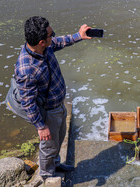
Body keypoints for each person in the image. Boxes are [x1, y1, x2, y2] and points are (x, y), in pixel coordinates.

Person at [14, 16, 92, 179]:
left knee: (59, 138)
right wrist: (41, 127)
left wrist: (79, 35)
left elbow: (59, 42)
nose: (54, 36)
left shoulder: (44, 47)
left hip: (58, 105)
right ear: (42, 41)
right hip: (48, 112)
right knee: (48, 146)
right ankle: (48, 176)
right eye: (51, 34)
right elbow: (28, 103)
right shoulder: (27, 69)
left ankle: (56, 164)